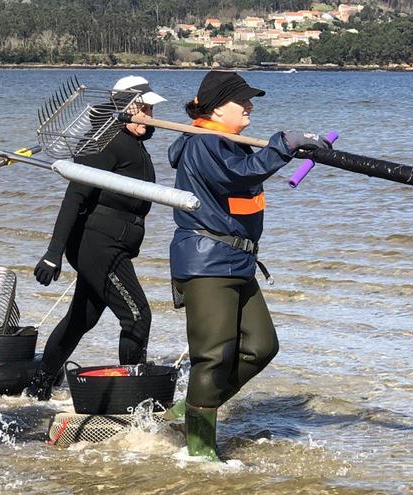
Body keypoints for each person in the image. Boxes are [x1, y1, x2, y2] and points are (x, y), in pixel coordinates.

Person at [166, 70, 331, 461]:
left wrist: (293, 148)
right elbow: (239, 176)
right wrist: (283, 145)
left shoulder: (227, 141)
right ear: (220, 107)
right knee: (214, 355)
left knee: (261, 346)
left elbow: (246, 170)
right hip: (207, 261)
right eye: (244, 101)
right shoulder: (204, 143)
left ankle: (188, 410)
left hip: (238, 260)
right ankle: (201, 453)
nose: (251, 106)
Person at [25, 76, 167, 400]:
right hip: (97, 244)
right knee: (136, 315)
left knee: (81, 319)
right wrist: (52, 253)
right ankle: (135, 401)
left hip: (112, 244)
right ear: (123, 108)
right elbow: (74, 196)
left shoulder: (132, 143)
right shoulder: (104, 142)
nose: (148, 115)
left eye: (150, 109)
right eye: (142, 108)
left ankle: (39, 386)